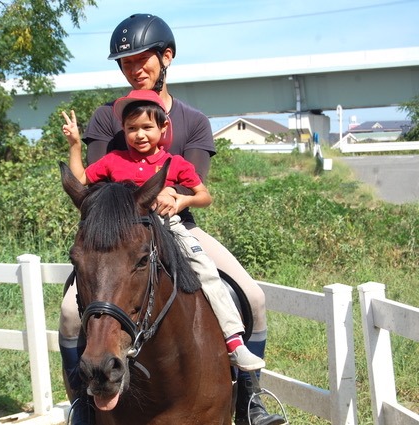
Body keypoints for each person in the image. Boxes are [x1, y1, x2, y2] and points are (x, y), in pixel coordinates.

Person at [58, 14, 286, 425]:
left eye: (142, 59)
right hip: (120, 237)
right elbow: (98, 193)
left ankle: (250, 400)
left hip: (179, 228)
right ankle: (81, 402)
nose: (134, 69)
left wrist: (176, 198)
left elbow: (195, 185)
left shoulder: (194, 121)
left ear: (167, 57)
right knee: (71, 314)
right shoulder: (108, 117)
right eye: (126, 63)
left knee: (253, 296)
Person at [62, 88, 265, 371]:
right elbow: (81, 179)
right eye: (132, 128)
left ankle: (234, 343)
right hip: (129, 233)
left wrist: (184, 199)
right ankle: (81, 391)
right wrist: (74, 144)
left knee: (206, 270)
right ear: (123, 130)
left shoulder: (175, 163)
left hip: (171, 226)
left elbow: (204, 195)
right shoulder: (113, 160)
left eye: (147, 127)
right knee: (78, 303)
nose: (140, 134)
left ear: (163, 127)